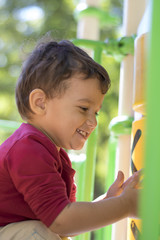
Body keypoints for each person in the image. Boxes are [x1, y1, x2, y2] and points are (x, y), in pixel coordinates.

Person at [0, 39, 140, 240]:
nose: (92, 122)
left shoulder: (57, 156)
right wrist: (125, 206)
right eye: (84, 109)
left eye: (96, 113)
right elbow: (62, 221)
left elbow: (66, 225)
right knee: (37, 232)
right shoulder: (27, 148)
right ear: (40, 103)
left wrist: (109, 201)